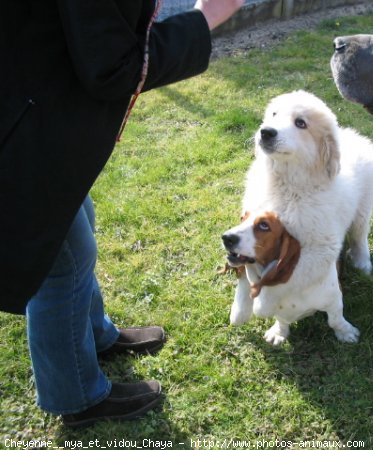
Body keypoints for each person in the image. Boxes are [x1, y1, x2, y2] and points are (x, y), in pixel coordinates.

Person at [0, 0, 244, 427]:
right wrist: (207, 17)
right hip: (22, 128)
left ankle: (95, 336)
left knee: (77, 228)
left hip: (33, 112)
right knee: (64, 261)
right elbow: (111, 68)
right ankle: (76, 398)